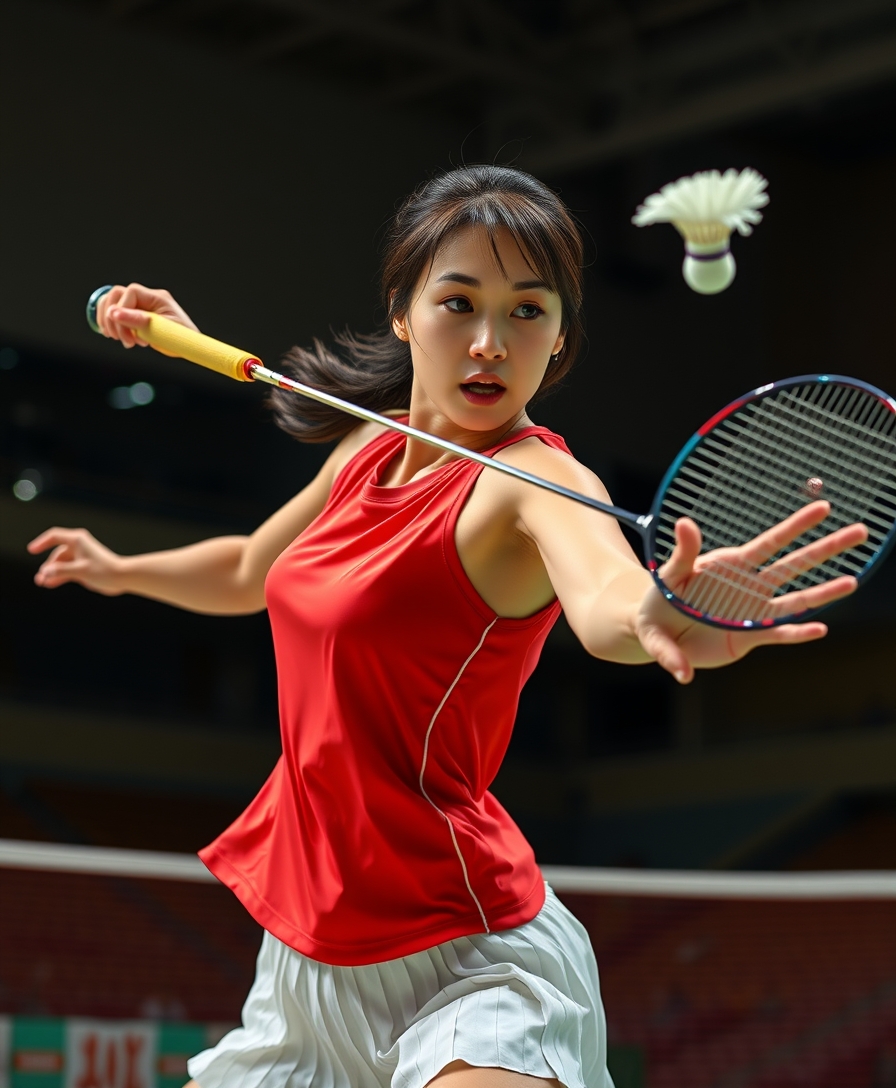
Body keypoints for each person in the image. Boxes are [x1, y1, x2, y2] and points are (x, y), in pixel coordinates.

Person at [28, 166, 863, 1088]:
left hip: (473, 956)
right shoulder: (363, 447)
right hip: (308, 966)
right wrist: (117, 569)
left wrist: (665, 614)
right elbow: (248, 572)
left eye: (527, 313)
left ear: (561, 342)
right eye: (458, 303)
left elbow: (608, 606)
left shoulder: (535, 484)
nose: (489, 344)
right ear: (403, 312)